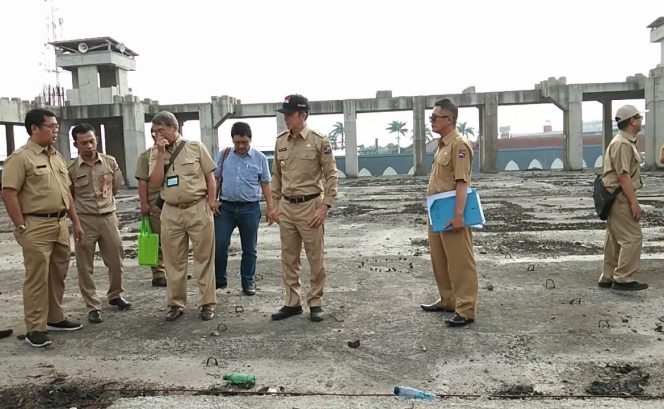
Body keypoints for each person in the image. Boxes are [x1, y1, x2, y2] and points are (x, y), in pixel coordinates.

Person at [1, 108, 84, 348]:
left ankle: (55, 317)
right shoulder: (21, 158)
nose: (55, 130)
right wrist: (20, 225)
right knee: (37, 278)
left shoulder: (56, 156)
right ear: (34, 128)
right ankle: (35, 328)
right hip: (35, 225)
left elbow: (66, 192)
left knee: (58, 274)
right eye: (51, 126)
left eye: (57, 126)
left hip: (59, 224)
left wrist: (75, 222)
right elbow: (9, 193)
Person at [267, 94, 339, 322]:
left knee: (315, 258)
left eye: (289, 114)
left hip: (311, 207)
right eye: (285, 114)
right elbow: (276, 176)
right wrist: (275, 205)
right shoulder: (280, 142)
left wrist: (325, 206)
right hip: (287, 208)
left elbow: (331, 176)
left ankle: (316, 302)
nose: (286, 118)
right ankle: (292, 303)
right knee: (289, 258)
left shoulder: (319, 141)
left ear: (303, 115)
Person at [148, 111, 217, 321]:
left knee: (204, 258)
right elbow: (155, 182)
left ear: (174, 128)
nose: (157, 134)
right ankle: (176, 304)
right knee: (173, 260)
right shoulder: (154, 153)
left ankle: (207, 303)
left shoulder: (195, 147)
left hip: (197, 207)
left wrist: (211, 203)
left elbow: (210, 177)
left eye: (161, 130)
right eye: (154, 131)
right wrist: (160, 153)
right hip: (171, 211)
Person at [420, 98, 478, 327]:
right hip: (437, 210)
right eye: (431, 117)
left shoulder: (459, 145)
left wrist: (459, 214)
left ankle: (465, 309)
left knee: (460, 261)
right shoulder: (442, 145)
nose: (431, 121)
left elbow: (462, 183)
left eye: (435, 118)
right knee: (440, 259)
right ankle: (447, 300)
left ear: (450, 119)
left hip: (453, 211)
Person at [68, 123, 132, 324]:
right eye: (84, 142)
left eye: (92, 140)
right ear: (76, 144)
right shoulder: (70, 168)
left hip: (108, 217)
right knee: (85, 265)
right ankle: (93, 306)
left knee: (116, 259)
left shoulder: (110, 162)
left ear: (97, 139)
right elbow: (69, 197)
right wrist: (76, 223)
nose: (89, 145)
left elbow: (114, 188)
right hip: (84, 219)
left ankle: (115, 295)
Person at [213, 122, 273, 295]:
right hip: (225, 208)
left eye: (244, 142)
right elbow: (215, 179)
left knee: (249, 248)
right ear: (232, 140)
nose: (241, 146)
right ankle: (219, 279)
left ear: (250, 139)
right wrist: (213, 201)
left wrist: (270, 207)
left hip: (250, 208)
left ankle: (248, 281)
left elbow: (265, 184)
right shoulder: (223, 155)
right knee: (219, 244)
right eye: (237, 142)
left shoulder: (260, 158)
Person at [598, 105, 648, 291]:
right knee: (633, 237)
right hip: (620, 197)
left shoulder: (622, 142)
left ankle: (608, 276)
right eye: (639, 117)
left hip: (614, 196)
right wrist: (634, 203)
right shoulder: (623, 144)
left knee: (614, 238)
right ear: (632, 120)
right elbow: (623, 176)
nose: (641, 120)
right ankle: (623, 278)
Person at [135, 133, 167, 287]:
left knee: (172, 239)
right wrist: (144, 204)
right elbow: (142, 181)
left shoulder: (179, 152)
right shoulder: (146, 156)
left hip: (172, 202)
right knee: (157, 239)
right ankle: (158, 273)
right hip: (155, 202)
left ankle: (172, 270)